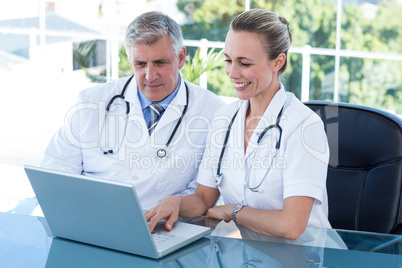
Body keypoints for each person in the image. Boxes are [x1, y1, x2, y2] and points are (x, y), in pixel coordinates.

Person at [145, 9, 331, 240]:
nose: (232, 73)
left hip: (305, 255)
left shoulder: (303, 126)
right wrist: (175, 203)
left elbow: (291, 226)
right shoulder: (224, 118)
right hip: (248, 254)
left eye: (244, 63)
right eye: (228, 60)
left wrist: (234, 212)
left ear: (278, 62)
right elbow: (204, 198)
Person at [41, 11, 224, 210]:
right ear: (130, 62)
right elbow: (55, 172)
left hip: (167, 227)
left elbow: (202, 195)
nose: (150, 75)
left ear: (180, 58)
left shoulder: (213, 112)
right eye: (140, 64)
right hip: (92, 216)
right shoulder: (91, 102)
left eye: (160, 63)